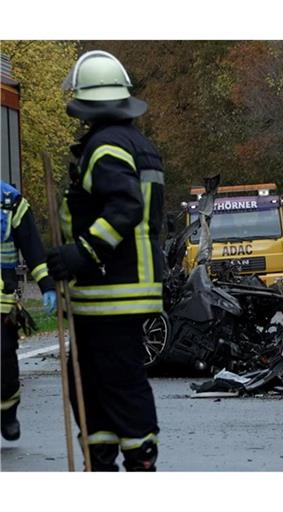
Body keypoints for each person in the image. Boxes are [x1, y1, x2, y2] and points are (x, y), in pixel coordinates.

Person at [46, 50, 164, 471]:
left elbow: (124, 207)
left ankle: (130, 465)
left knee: (114, 386)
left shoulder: (105, 147)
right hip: (124, 291)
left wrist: (81, 253)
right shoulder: (136, 143)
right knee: (100, 388)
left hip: (109, 291)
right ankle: (110, 459)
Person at [1, 181, 57, 441]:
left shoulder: (10, 201)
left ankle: (7, 411)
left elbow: (32, 248)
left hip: (1, 301)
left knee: (5, 364)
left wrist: (46, 285)